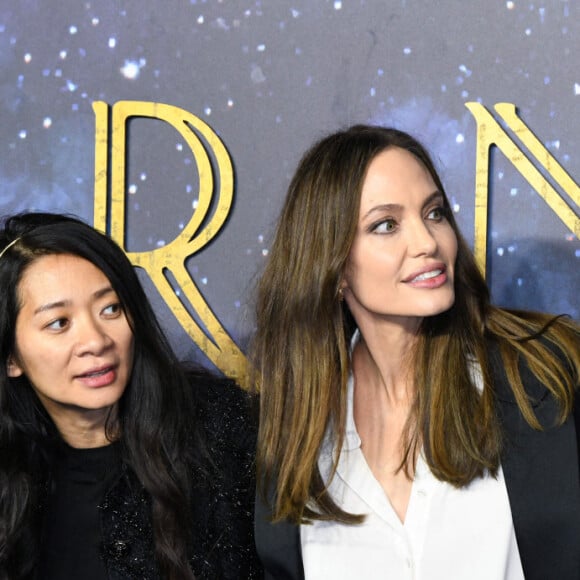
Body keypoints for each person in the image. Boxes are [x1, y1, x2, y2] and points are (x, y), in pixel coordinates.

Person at [252, 125, 580, 580]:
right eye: (386, 225)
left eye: (434, 213)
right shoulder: (296, 433)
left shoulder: (543, 376)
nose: (427, 243)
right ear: (333, 267)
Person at [0, 212, 262, 579]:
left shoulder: (222, 429)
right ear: (11, 357)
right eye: (59, 323)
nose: (96, 341)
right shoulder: (13, 479)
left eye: (111, 309)